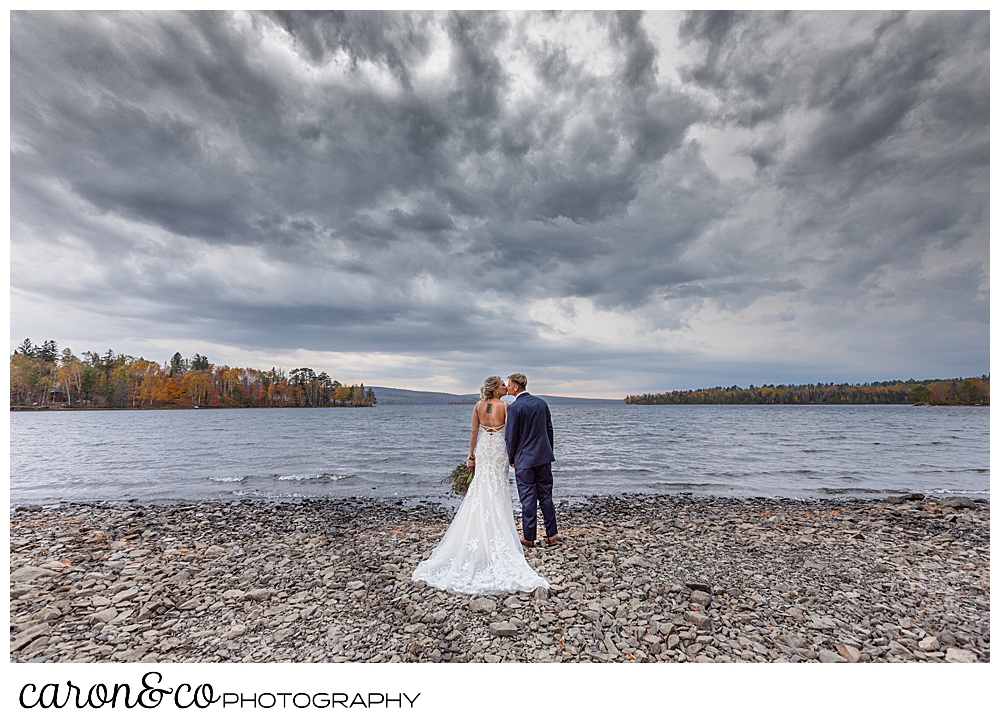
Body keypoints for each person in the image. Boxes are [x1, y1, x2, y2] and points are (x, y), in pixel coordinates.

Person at [412, 376, 548, 594]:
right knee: (498, 488)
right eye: (502, 385)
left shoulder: (477, 406)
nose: (505, 387)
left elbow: (474, 432)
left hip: (484, 450)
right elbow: (510, 435)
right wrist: (513, 455)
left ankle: (478, 532)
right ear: (495, 390)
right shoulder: (506, 406)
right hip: (499, 453)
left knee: (480, 488)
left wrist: (471, 455)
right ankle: (496, 532)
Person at [505, 373, 563, 547]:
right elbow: (549, 429)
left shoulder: (515, 408)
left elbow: (511, 436)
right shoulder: (541, 403)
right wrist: (548, 451)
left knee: (528, 498)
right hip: (543, 457)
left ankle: (529, 538)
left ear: (516, 387)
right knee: (546, 495)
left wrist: (511, 457)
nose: (507, 387)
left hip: (524, 460)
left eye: (509, 385)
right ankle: (552, 534)